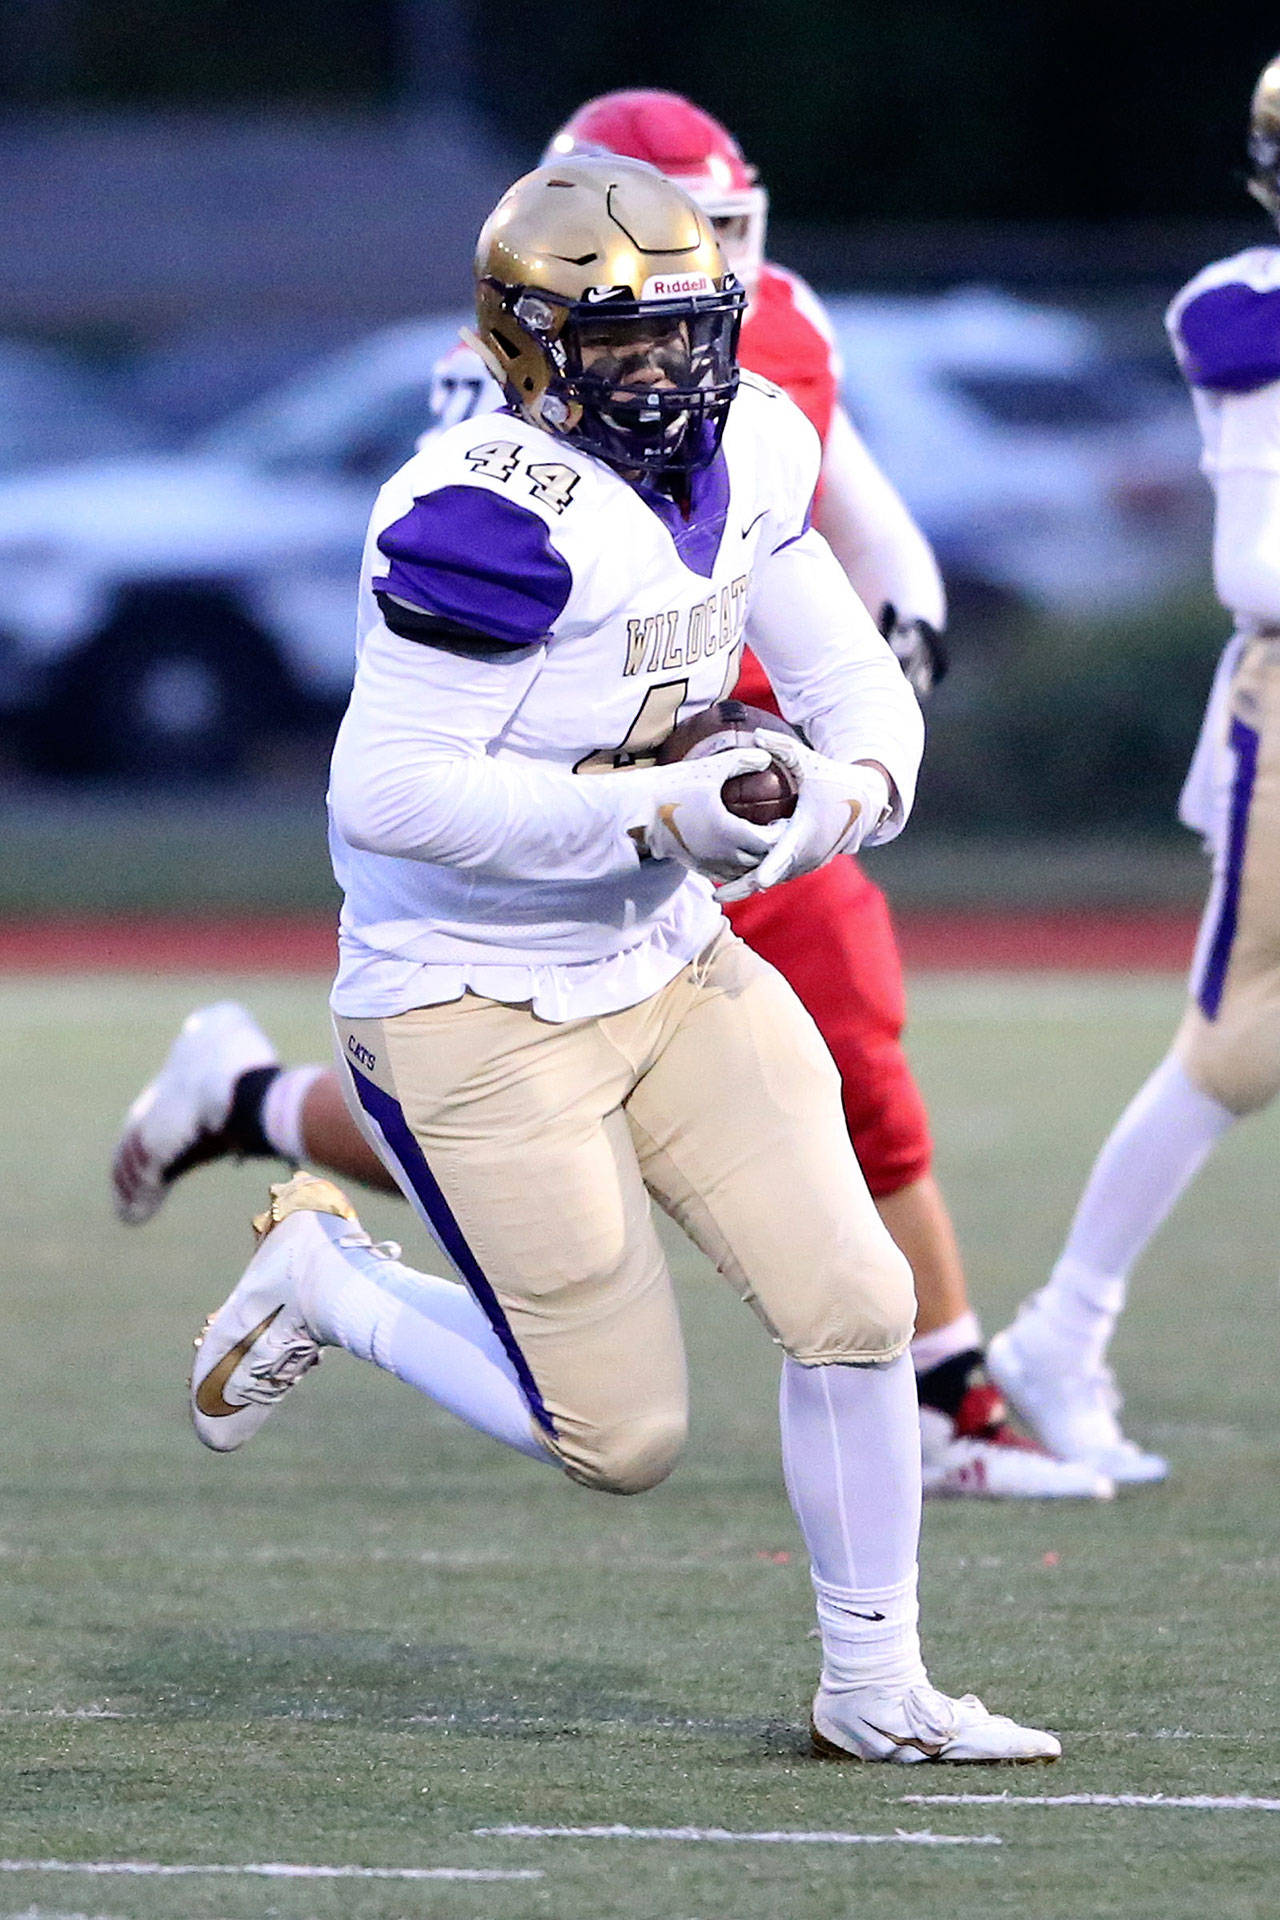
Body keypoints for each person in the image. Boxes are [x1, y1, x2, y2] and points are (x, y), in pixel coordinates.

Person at [184, 155, 1059, 1764]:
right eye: (621, 341)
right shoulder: (485, 514)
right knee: (622, 1437)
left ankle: (874, 1685)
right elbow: (389, 797)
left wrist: (824, 808)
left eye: (687, 333)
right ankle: (329, 1278)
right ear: (525, 346)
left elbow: (856, 691)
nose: (666, 374)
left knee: (857, 1300)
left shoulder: (759, 440)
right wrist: (662, 811)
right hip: (468, 997)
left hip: (666, 960)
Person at [989, 53, 1280, 1485]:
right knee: (1236, 1044)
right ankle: (1063, 1329)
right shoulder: (1243, 307)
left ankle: (1062, 1331)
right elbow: (1259, 565)